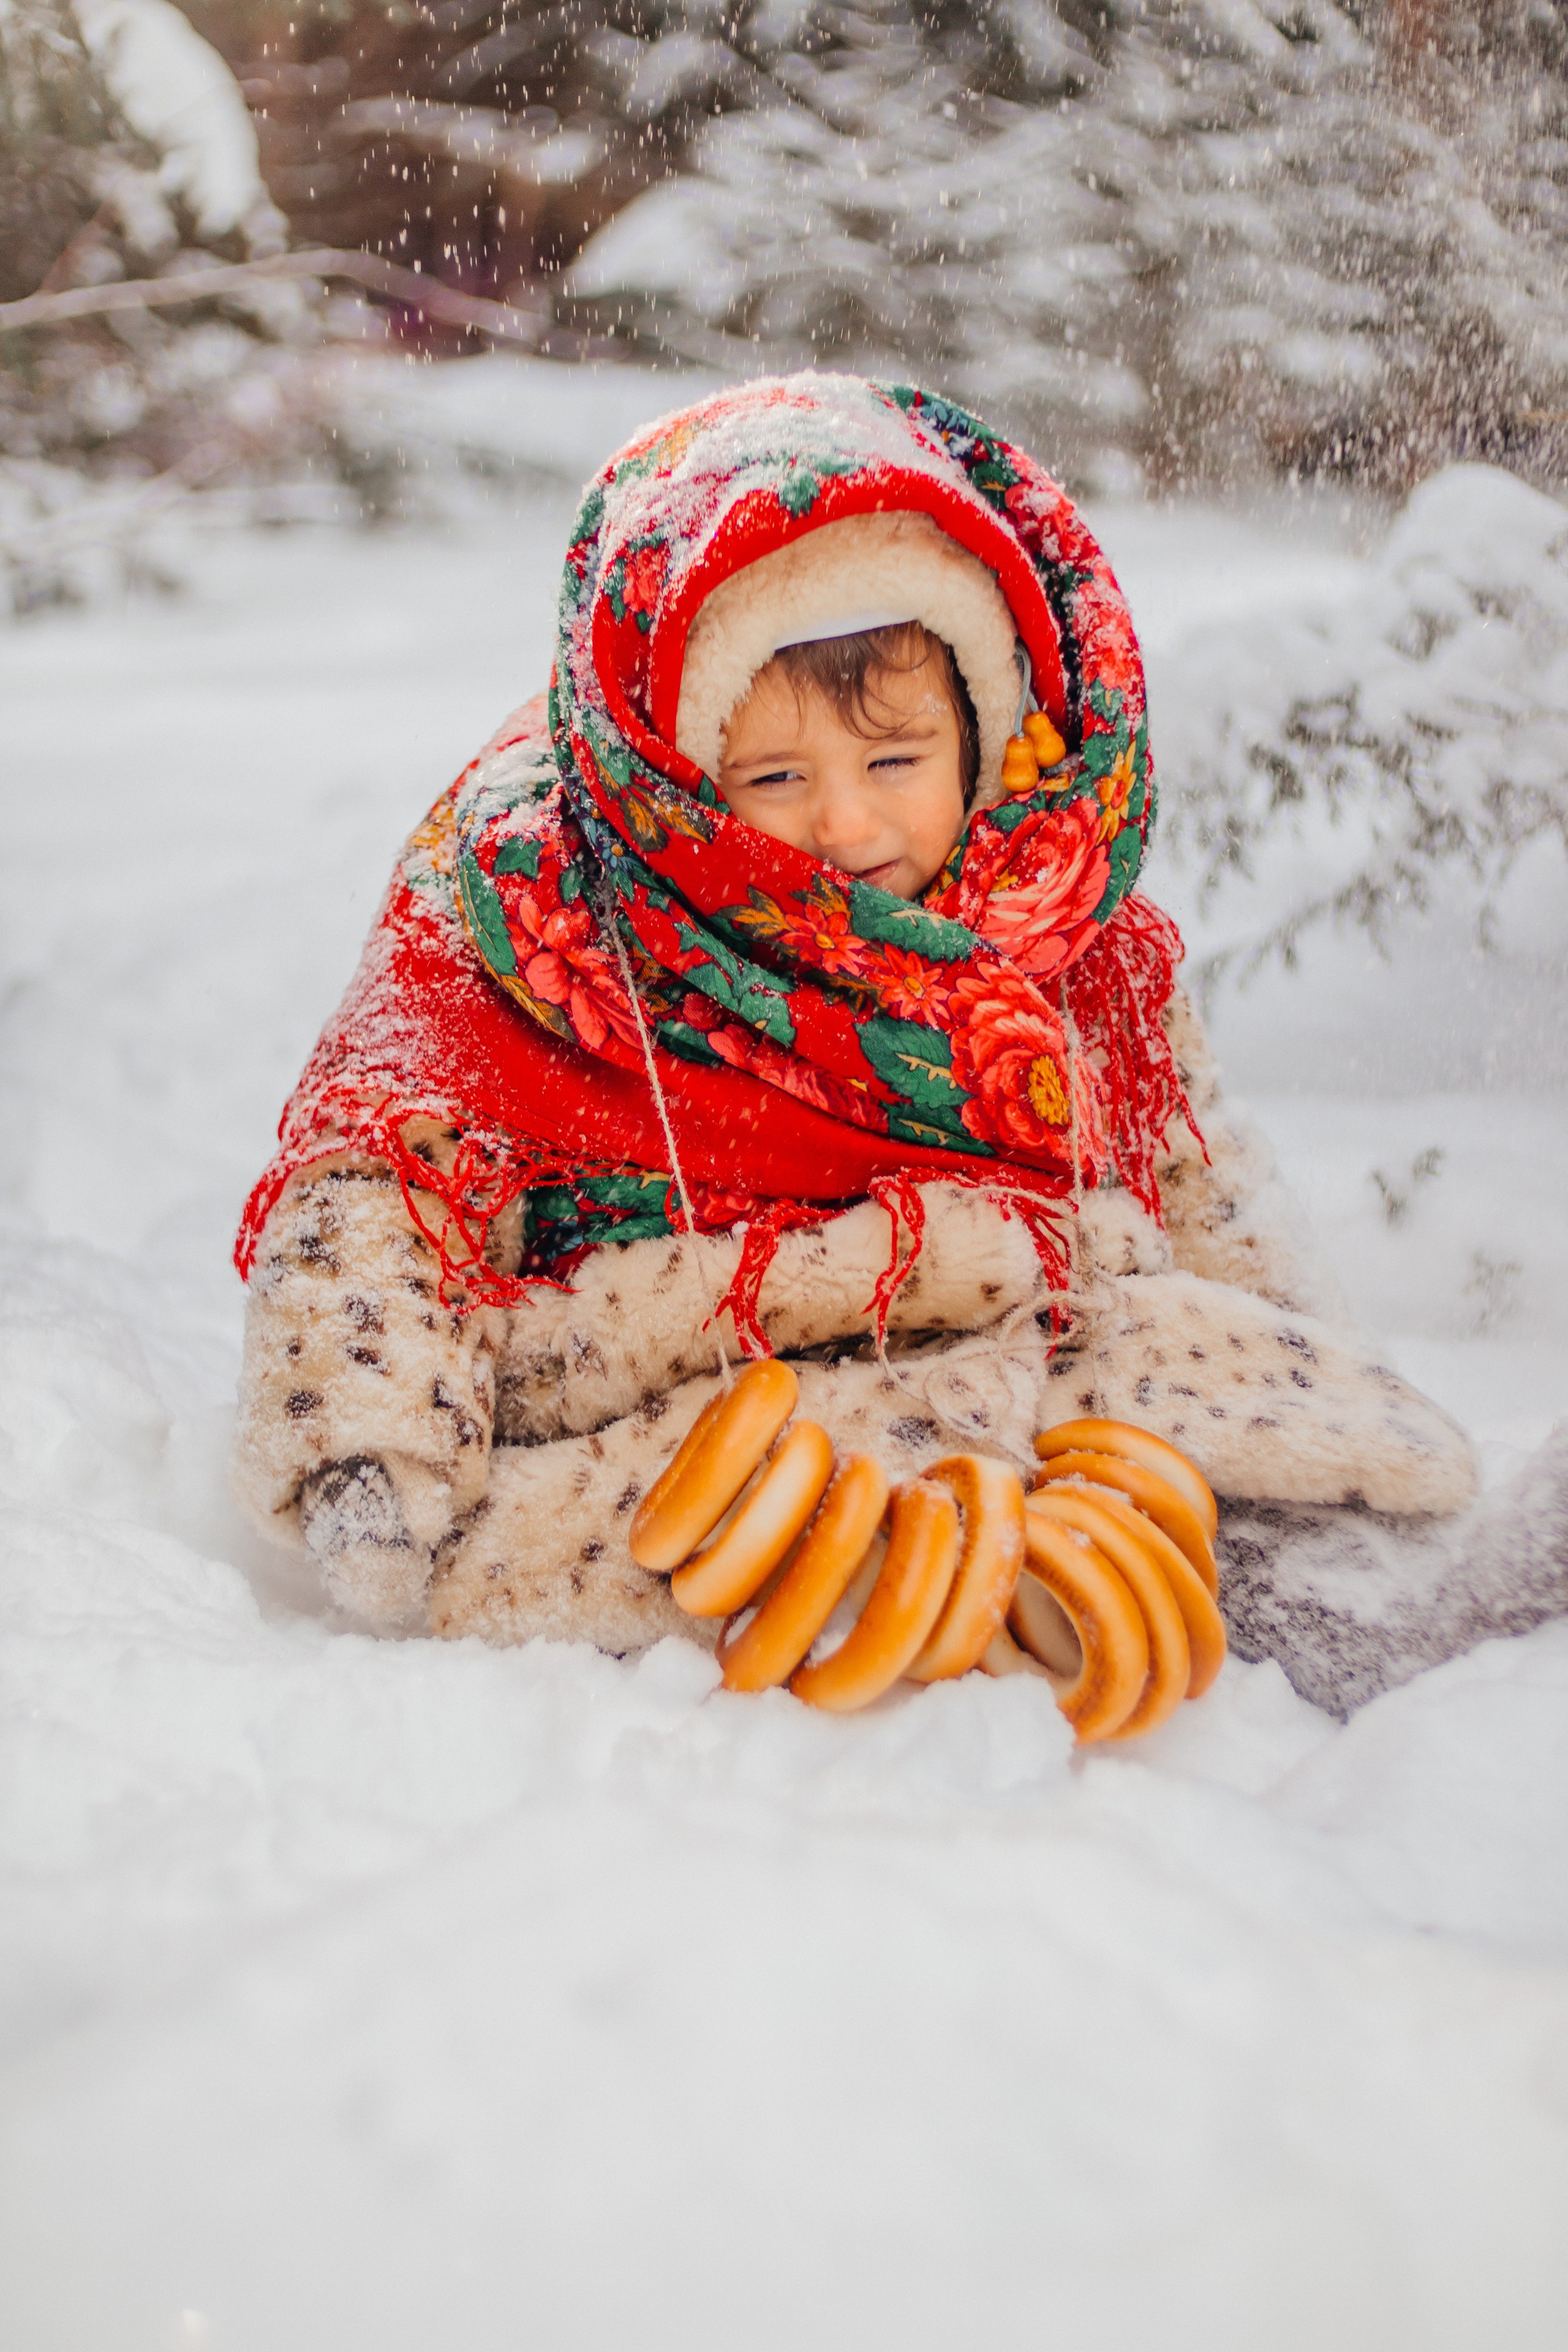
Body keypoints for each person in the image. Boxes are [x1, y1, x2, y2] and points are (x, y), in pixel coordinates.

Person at [232, 372, 1565, 1712]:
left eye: (894, 762)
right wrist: (366, 1453)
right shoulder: (537, 919)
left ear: (981, 735)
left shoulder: (1050, 929)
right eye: (773, 780)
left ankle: (1390, 1608)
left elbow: (1188, 1162)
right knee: (729, 1529)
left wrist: (1301, 1369)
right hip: (706, 1386)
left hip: (1047, 1338)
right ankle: (1042, 1603)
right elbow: (373, 1191)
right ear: (675, 770)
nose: (848, 831)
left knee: (1173, 1418)